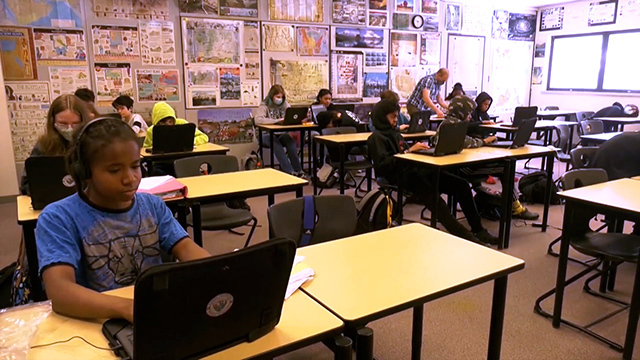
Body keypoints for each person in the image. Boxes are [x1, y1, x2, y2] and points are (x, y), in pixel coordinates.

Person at [35, 117, 211, 322]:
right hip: (95, 320)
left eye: (135, 166)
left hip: (149, 311)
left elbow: (187, 249)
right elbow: (60, 293)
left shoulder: (152, 205)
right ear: (84, 172)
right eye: (114, 170)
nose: (130, 178)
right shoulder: (58, 218)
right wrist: (126, 308)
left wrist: (220, 274)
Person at [367, 99, 499, 245]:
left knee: (461, 185)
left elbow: (404, 154)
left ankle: (478, 229)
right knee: (436, 201)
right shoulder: (376, 138)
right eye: (392, 117)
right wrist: (409, 151)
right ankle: (467, 237)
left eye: (396, 116)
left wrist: (419, 152)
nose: (395, 120)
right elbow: (383, 167)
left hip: (416, 170)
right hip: (399, 176)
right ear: (381, 117)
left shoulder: (395, 134)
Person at [433, 96, 540, 220]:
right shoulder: (451, 124)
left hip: (462, 163)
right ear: (460, 112)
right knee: (505, 168)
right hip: (460, 168)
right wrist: (484, 141)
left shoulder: (453, 122)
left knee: (502, 165)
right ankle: (515, 208)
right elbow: (467, 142)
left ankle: (508, 204)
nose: (469, 116)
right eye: (468, 113)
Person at [20, 94, 91, 195]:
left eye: (76, 123)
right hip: (53, 201)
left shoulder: (93, 142)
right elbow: (27, 184)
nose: (69, 128)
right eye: (63, 123)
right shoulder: (43, 145)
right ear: (53, 121)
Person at [253, 85, 306, 177]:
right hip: (265, 135)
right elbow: (258, 120)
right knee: (275, 143)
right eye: (277, 97)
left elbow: (291, 114)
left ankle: (299, 170)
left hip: (280, 133)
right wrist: (276, 121)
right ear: (271, 96)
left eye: (281, 97)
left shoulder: (284, 104)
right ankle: (288, 171)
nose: (280, 99)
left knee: (290, 141)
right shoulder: (264, 105)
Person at [143, 101, 208, 148]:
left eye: (170, 121)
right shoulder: (151, 130)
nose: (168, 125)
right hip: (160, 160)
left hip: (182, 157)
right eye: (162, 122)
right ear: (157, 122)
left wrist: (189, 142)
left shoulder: (182, 124)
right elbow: (146, 148)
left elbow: (204, 137)